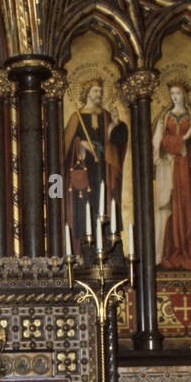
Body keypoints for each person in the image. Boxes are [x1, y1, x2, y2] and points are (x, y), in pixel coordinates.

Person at [153, 82, 191, 270]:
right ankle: (174, 249)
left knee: (189, 204)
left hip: (189, 166)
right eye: (172, 93)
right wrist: (183, 139)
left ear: (185, 95)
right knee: (173, 205)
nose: (174, 97)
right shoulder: (165, 116)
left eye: (178, 93)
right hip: (172, 165)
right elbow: (159, 141)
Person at [63, 79, 126, 254]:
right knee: (85, 207)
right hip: (84, 171)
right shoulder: (77, 117)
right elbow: (64, 147)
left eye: (100, 91)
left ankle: (107, 247)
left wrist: (115, 124)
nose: (98, 95)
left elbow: (116, 142)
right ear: (86, 93)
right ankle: (83, 249)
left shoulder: (106, 115)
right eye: (94, 91)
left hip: (103, 170)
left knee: (105, 203)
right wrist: (80, 143)